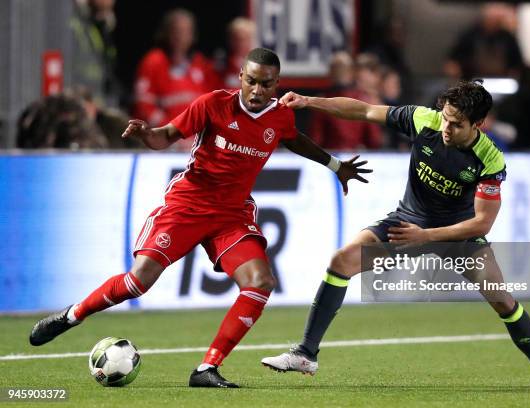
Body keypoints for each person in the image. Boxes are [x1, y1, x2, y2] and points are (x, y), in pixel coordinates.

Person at [28, 48, 371, 388]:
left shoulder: (280, 116)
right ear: (240, 78)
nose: (257, 90)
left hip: (231, 214)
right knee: (138, 282)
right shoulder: (213, 104)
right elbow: (167, 135)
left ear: (276, 84)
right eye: (251, 81)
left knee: (260, 282)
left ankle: (206, 368)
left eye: (265, 84)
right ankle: (72, 315)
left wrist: (336, 166)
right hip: (189, 204)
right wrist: (147, 133)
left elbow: (294, 140)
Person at [261, 80, 530, 390]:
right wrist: (309, 102)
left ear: (479, 124)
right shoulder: (424, 120)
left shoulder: (489, 159)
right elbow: (364, 110)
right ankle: (306, 354)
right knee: (342, 261)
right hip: (406, 224)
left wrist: (426, 235)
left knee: (503, 301)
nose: (446, 128)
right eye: (445, 118)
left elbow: (482, 223)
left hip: (458, 236)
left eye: (456, 124)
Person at [132, 8, 222, 149]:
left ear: (193, 36)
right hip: (163, 143)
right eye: (176, 31)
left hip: (198, 144)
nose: (180, 36)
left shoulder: (202, 64)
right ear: (166, 33)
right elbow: (144, 107)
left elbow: (215, 107)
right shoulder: (153, 61)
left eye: (185, 31)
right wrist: (173, 135)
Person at [308, 52, 383, 150]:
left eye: (342, 69)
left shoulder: (364, 100)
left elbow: (375, 141)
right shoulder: (320, 103)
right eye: (338, 69)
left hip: (343, 160)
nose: (340, 73)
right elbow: (375, 141)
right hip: (337, 160)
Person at [215, 17, 257, 89]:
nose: (241, 43)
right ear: (229, 40)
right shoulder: (220, 67)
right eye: (236, 39)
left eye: (245, 39)